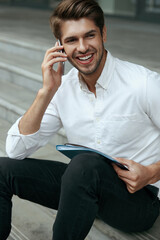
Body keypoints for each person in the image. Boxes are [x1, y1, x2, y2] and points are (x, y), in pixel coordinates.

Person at [0, 0, 160, 239]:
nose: (83, 47)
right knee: (3, 169)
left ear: (103, 33)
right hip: (84, 184)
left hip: (138, 199)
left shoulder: (143, 83)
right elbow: (15, 150)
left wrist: (151, 172)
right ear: (60, 46)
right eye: (72, 40)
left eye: (90, 36)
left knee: (85, 165)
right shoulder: (62, 88)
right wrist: (46, 92)